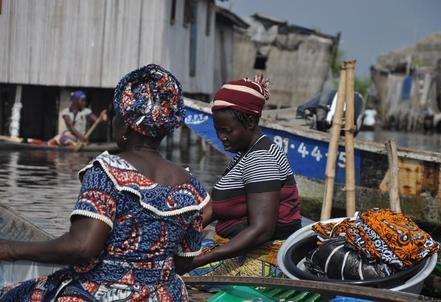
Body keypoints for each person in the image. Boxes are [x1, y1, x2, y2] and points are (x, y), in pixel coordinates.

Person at [0, 64, 209, 301]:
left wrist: (10, 248)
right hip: (166, 294)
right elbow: (185, 258)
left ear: (127, 126)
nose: (113, 122)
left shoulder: (108, 171)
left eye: (117, 116)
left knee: (13, 295)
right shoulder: (192, 187)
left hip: (101, 293)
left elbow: (82, 247)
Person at [189, 75, 301, 278]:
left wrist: (201, 259)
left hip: (264, 258)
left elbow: (261, 230)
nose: (222, 138)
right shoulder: (245, 154)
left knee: (168, 275)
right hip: (243, 248)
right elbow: (214, 206)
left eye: (228, 131)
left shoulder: (261, 159)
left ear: (250, 121)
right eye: (218, 131)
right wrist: (183, 233)